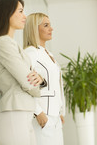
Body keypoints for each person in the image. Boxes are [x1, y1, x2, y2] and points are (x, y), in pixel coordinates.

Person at [0, 0, 46, 145]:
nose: (24, 16)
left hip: (21, 114)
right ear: (6, 13)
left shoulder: (10, 43)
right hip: (14, 115)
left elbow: (31, 77)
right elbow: (27, 81)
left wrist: (40, 80)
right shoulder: (3, 42)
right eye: (20, 11)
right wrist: (36, 85)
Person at [23, 13, 65, 145]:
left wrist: (60, 111)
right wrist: (38, 112)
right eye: (46, 25)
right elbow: (24, 85)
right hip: (43, 116)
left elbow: (56, 84)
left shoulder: (48, 54)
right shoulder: (30, 52)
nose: (51, 29)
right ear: (34, 29)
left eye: (50, 25)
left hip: (55, 115)